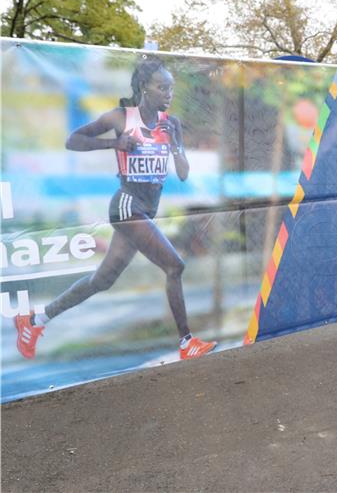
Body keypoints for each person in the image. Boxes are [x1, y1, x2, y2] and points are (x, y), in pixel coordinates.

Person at [14, 56, 217, 361]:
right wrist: (114, 144)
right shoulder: (121, 118)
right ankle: (186, 342)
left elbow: (184, 172)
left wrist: (175, 143)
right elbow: (73, 140)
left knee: (103, 280)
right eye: (162, 87)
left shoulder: (170, 123)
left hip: (146, 209)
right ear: (144, 88)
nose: (168, 94)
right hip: (126, 205)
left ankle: (34, 321)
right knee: (175, 266)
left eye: (171, 88)